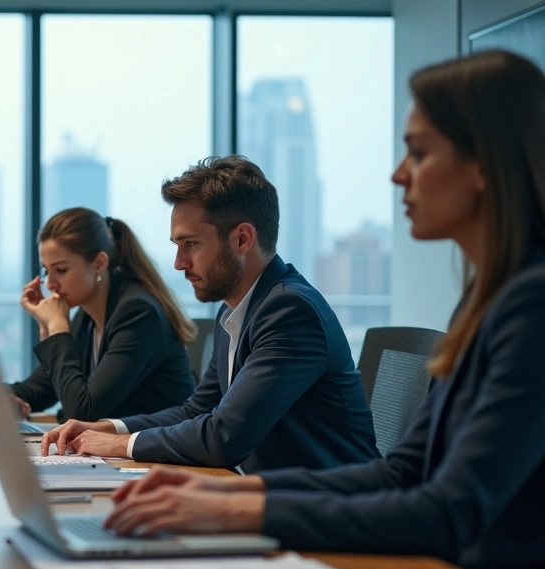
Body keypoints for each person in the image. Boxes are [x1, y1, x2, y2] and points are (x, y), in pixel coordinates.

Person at [102, 50, 545, 569]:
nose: (397, 173)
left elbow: (448, 512)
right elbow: (402, 472)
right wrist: (228, 496)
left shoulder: (530, 307)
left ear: (484, 164)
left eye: (419, 152)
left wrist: (243, 513)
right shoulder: (486, 299)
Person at [42, 156, 378, 473]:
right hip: (274, 496)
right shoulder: (234, 311)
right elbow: (197, 411)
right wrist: (104, 427)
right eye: (176, 245)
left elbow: (225, 438)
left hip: (331, 510)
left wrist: (117, 444)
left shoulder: (289, 311)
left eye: (190, 244)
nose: (179, 262)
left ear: (242, 239)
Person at [9, 207, 196, 421]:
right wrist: (7, 396)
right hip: (117, 450)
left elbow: (82, 412)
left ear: (99, 263)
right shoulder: (87, 315)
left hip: (156, 451)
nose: (50, 284)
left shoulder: (138, 313)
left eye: (60, 270)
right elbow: (41, 390)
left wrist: (58, 329)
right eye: (45, 270)